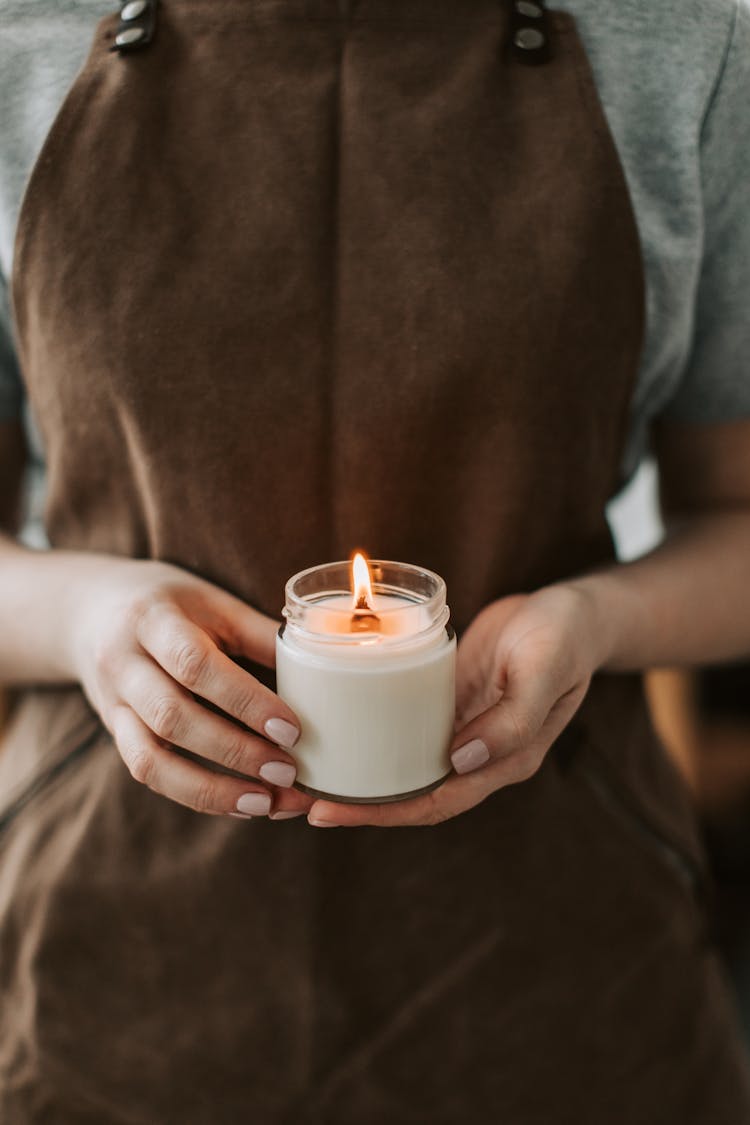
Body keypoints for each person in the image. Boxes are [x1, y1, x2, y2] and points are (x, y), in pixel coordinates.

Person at [1, 0, 750, 1120]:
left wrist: (599, 619)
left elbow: (734, 512)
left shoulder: (683, 43)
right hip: (109, 954)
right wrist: (85, 619)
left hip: (563, 955)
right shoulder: (23, 35)